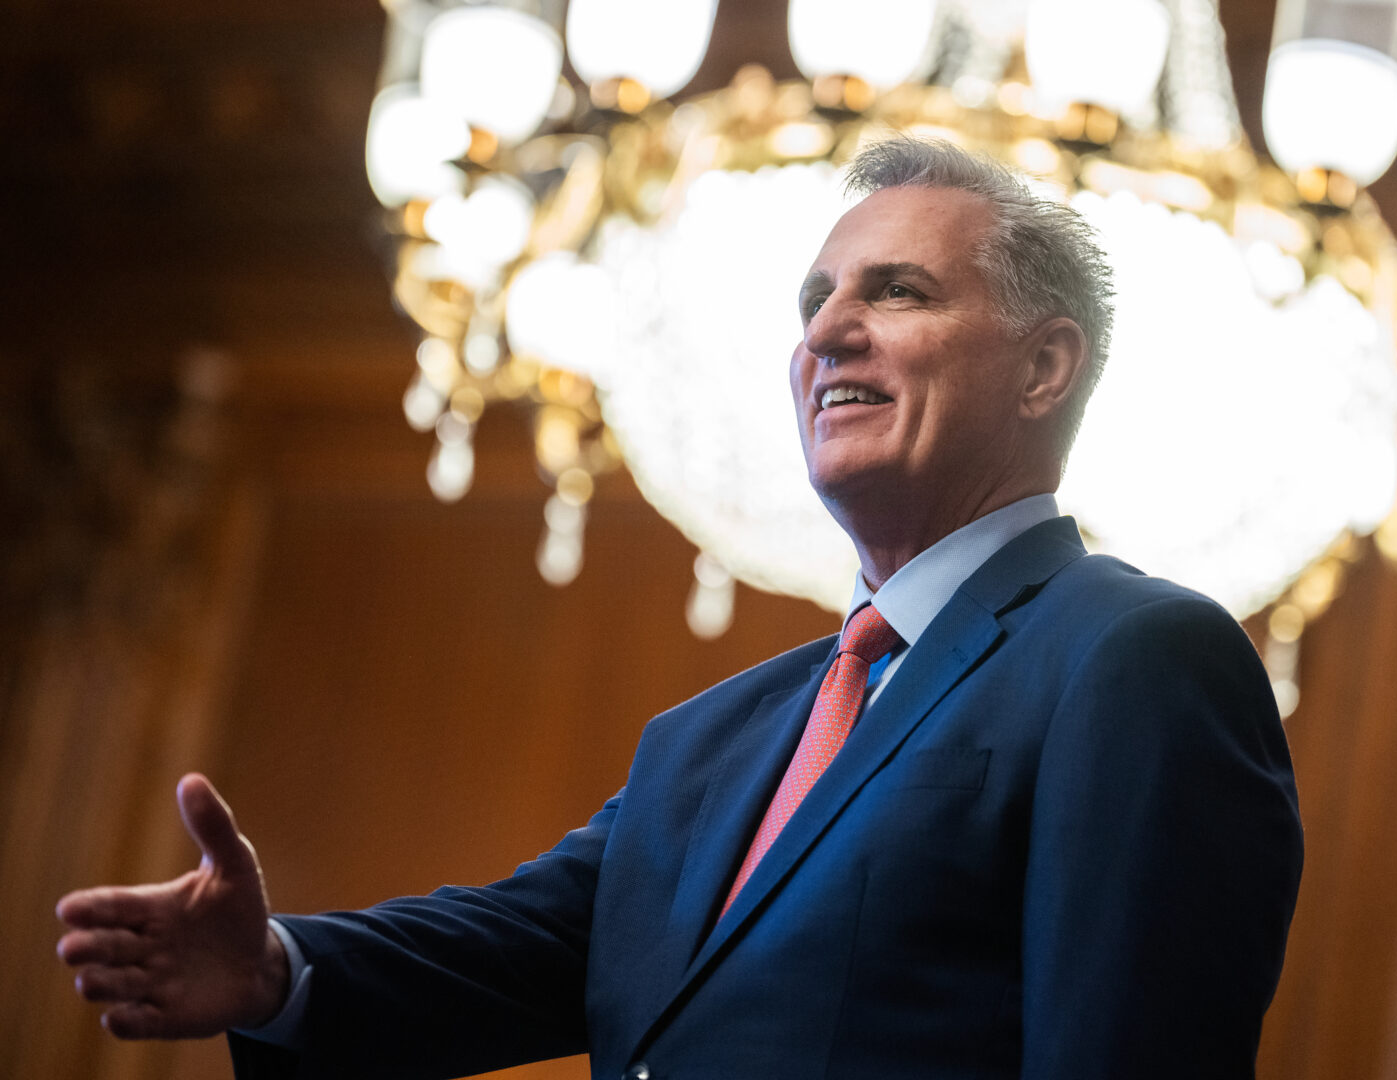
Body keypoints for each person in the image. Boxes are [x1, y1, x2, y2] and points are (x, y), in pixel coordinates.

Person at [57, 138, 1304, 1079]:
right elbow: (520, 945)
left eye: (899, 291)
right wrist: (272, 969)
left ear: (1044, 366)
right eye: (813, 303)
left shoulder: (1135, 658)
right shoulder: (714, 738)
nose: (828, 333)